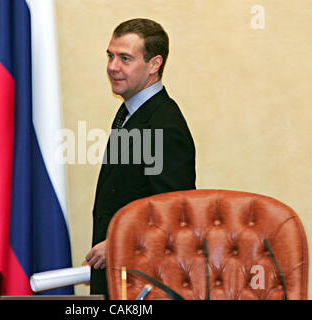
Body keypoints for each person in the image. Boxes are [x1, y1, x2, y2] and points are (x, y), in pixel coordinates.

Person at [85, 18, 196, 298]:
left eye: (125, 58)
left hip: (146, 285)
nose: (112, 67)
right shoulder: (131, 112)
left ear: (154, 64)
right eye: (110, 56)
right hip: (121, 278)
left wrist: (119, 244)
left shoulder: (164, 123)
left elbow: (178, 217)